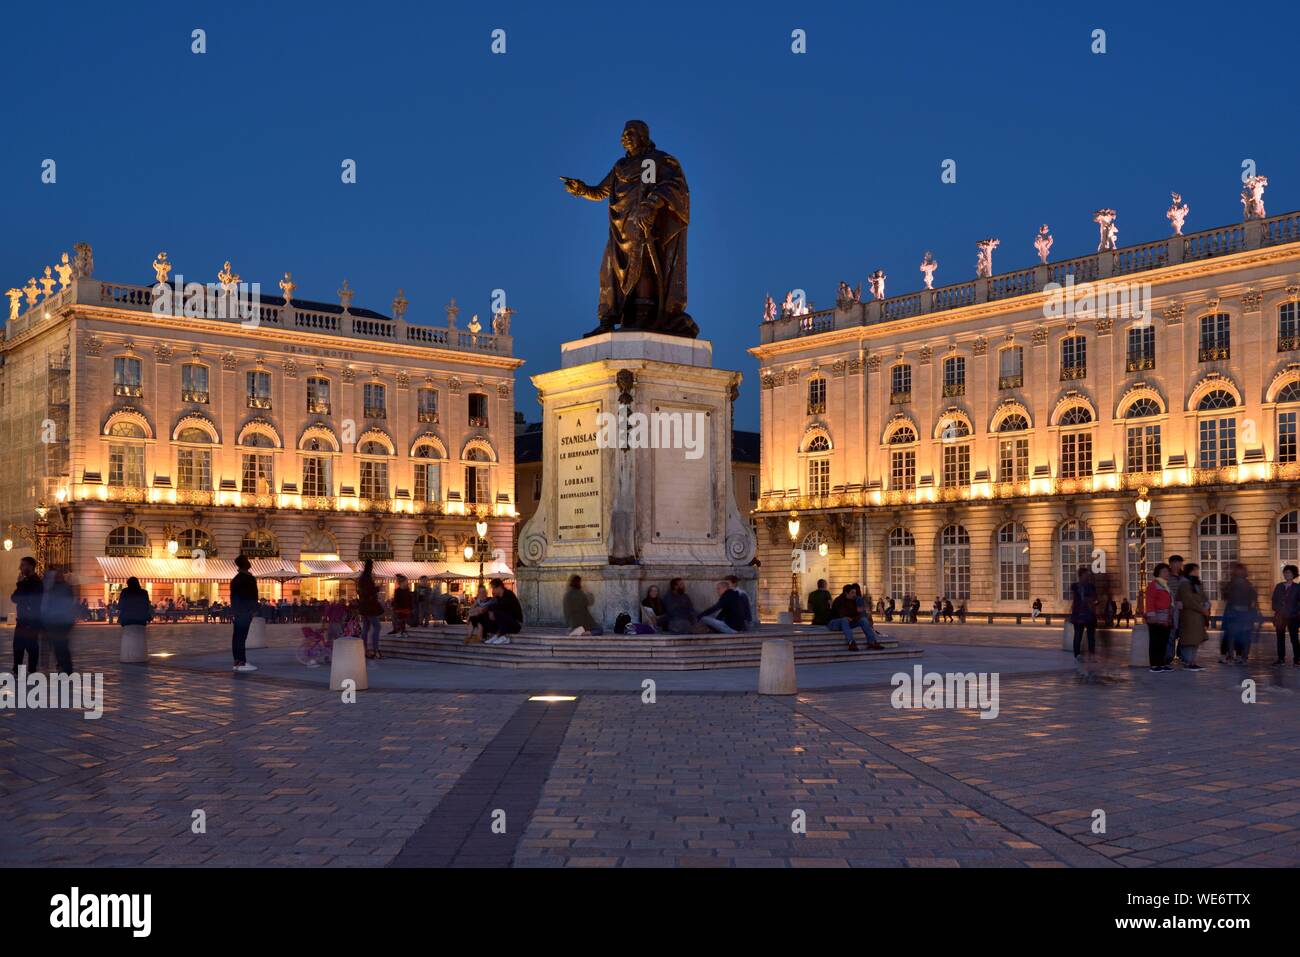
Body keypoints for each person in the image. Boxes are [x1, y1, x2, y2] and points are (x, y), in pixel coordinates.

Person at [41, 569, 78, 675]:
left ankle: (65, 670)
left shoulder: (61, 588)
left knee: (60, 648)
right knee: (58, 647)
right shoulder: (58, 587)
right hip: (55, 622)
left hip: (59, 623)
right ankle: (61, 668)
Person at [1221, 563, 1259, 664]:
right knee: (1238, 637)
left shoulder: (1239, 584)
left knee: (1236, 637)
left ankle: (1238, 657)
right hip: (1238, 613)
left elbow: (1253, 600)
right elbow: (1253, 600)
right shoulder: (1243, 584)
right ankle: (1240, 657)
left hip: (1239, 613)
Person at [825, 584, 882, 651]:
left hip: (848, 622)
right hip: (834, 623)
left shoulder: (854, 600)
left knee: (863, 620)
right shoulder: (839, 600)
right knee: (844, 620)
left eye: (855, 592)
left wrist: (858, 615)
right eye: (852, 592)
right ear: (846, 593)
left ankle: (872, 642)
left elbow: (858, 615)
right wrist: (852, 616)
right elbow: (842, 615)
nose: (855, 594)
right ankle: (851, 643)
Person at [11, 556, 43, 672]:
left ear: (30, 566)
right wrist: (20, 585)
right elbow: (14, 598)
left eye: (23, 565)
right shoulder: (24, 582)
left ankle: (32, 670)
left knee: (31, 647)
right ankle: (17, 670)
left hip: (31, 621)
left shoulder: (36, 582)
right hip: (22, 620)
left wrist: (20, 586)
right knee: (18, 647)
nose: (20, 567)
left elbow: (27, 599)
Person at [1174, 563, 1208, 671]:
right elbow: (1188, 601)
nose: (1197, 572)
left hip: (1198, 617)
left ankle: (1193, 661)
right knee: (1189, 640)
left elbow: (1203, 596)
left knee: (1195, 640)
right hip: (1189, 616)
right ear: (1190, 571)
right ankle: (1187, 662)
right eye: (1195, 570)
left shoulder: (1196, 583)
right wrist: (1202, 609)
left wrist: (1206, 605)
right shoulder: (1184, 584)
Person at [230, 554, 259, 672]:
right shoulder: (248, 578)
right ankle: (241, 662)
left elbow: (233, 597)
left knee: (237, 637)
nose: (249, 562)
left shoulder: (236, 579)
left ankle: (237, 661)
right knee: (241, 637)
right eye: (247, 560)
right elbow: (253, 596)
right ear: (244, 564)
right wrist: (253, 610)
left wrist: (235, 611)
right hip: (245, 611)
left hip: (238, 611)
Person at [1144, 563, 1174, 673]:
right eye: (1164, 571)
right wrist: (1151, 615)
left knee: (1163, 641)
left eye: (1167, 571)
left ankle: (1161, 663)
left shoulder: (1165, 585)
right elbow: (1150, 601)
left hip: (1165, 618)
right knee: (1155, 641)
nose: (1167, 573)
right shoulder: (1154, 585)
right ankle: (1154, 664)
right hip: (1156, 618)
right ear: (1158, 573)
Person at [1270, 564, 1300, 666]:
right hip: (1280, 617)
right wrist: (1277, 608)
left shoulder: (1297, 587)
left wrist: (1294, 610)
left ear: (1294, 574)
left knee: (1294, 639)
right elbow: (1274, 600)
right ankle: (1281, 658)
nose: (1287, 574)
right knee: (1280, 639)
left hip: (1293, 617)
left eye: (1289, 573)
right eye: (1285, 572)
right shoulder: (1279, 586)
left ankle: (1297, 659)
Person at [356, 559, 384, 659]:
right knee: (377, 626)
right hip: (370, 607)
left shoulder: (362, 578)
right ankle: (375, 649)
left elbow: (363, 592)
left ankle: (364, 649)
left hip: (364, 607)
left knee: (366, 628)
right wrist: (377, 588)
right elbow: (368, 592)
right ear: (370, 566)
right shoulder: (367, 578)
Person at [482, 579, 523, 645]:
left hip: (515, 624)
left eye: (493, 588)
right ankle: (497, 635)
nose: (492, 591)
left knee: (497, 613)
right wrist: (490, 610)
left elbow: (504, 609)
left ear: (499, 587)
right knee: (487, 614)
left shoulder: (509, 595)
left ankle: (501, 636)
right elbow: (492, 606)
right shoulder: (498, 598)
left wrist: (493, 611)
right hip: (506, 623)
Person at [1069, 566, 1098, 660]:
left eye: (1088, 575)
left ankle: (1092, 654)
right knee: (1078, 635)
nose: (1088, 577)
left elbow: (1096, 599)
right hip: (1079, 615)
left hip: (1089, 614)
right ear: (1080, 576)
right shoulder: (1075, 587)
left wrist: (1094, 602)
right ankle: (1077, 654)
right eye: (1086, 575)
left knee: (1091, 636)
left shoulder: (1091, 587)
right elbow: (1075, 601)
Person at [1164, 554, 1186, 666]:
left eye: (1180, 563)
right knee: (1171, 633)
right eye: (1176, 563)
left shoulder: (1184, 577)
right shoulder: (1167, 577)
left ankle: (1181, 654)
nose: (1178, 565)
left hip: (1184, 609)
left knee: (1183, 633)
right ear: (1171, 564)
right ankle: (1169, 656)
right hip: (1172, 608)